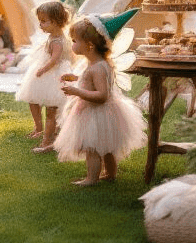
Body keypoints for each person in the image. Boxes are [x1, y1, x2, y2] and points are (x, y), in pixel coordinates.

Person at [55, 12, 145, 186]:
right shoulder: (99, 64)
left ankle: (91, 179)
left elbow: (102, 96)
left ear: (89, 45)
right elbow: (90, 81)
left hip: (95, 113)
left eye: (75, 41)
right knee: (107, 146)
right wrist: (76, 78)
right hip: (105, 113)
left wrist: (76, 91)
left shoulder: (97, 68)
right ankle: (110, 174)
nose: (72, 44)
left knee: (93, 148)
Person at [16, 0, 74, 152]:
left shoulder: (57, 41)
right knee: (32, 99)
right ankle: (39, 128)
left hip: (53, 75)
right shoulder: (53, 36)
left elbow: (54, 60)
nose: (40, 25)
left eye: (43, 21)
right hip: (46, 72)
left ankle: (48, 138)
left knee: (51, 109)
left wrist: (43, 69)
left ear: (55, 22)